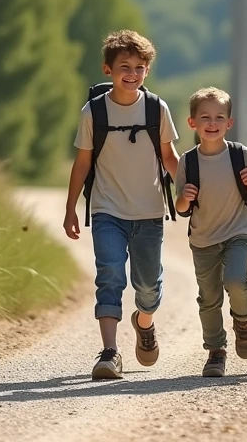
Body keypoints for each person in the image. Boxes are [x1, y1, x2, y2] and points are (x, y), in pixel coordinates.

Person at [64, 30, 181, 380]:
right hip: (106, 210)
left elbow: (170, 158)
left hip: (149, 211)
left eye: (140, 67)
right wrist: (71, 208)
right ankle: (110, 352)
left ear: (147, 71)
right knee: (110, 275)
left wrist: (195, 189)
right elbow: (82, 163)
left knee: (147, 288)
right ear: (107, 69)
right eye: (124, 67)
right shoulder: (94, 111)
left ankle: (144, 322)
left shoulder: (156, 108)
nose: (132, 73)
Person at [173, 86, 247, 377]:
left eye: (218, 117)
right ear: (192, 123)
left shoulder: (241, 154)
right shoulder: (187, 162)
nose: (211, 123)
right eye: (204, 117)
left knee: (237, 282)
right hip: (202, 240)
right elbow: (180, 208)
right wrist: (185, 198)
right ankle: (216, 351)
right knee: (209, 298)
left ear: (229, 123)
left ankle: (243, 321)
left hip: (237, 232)